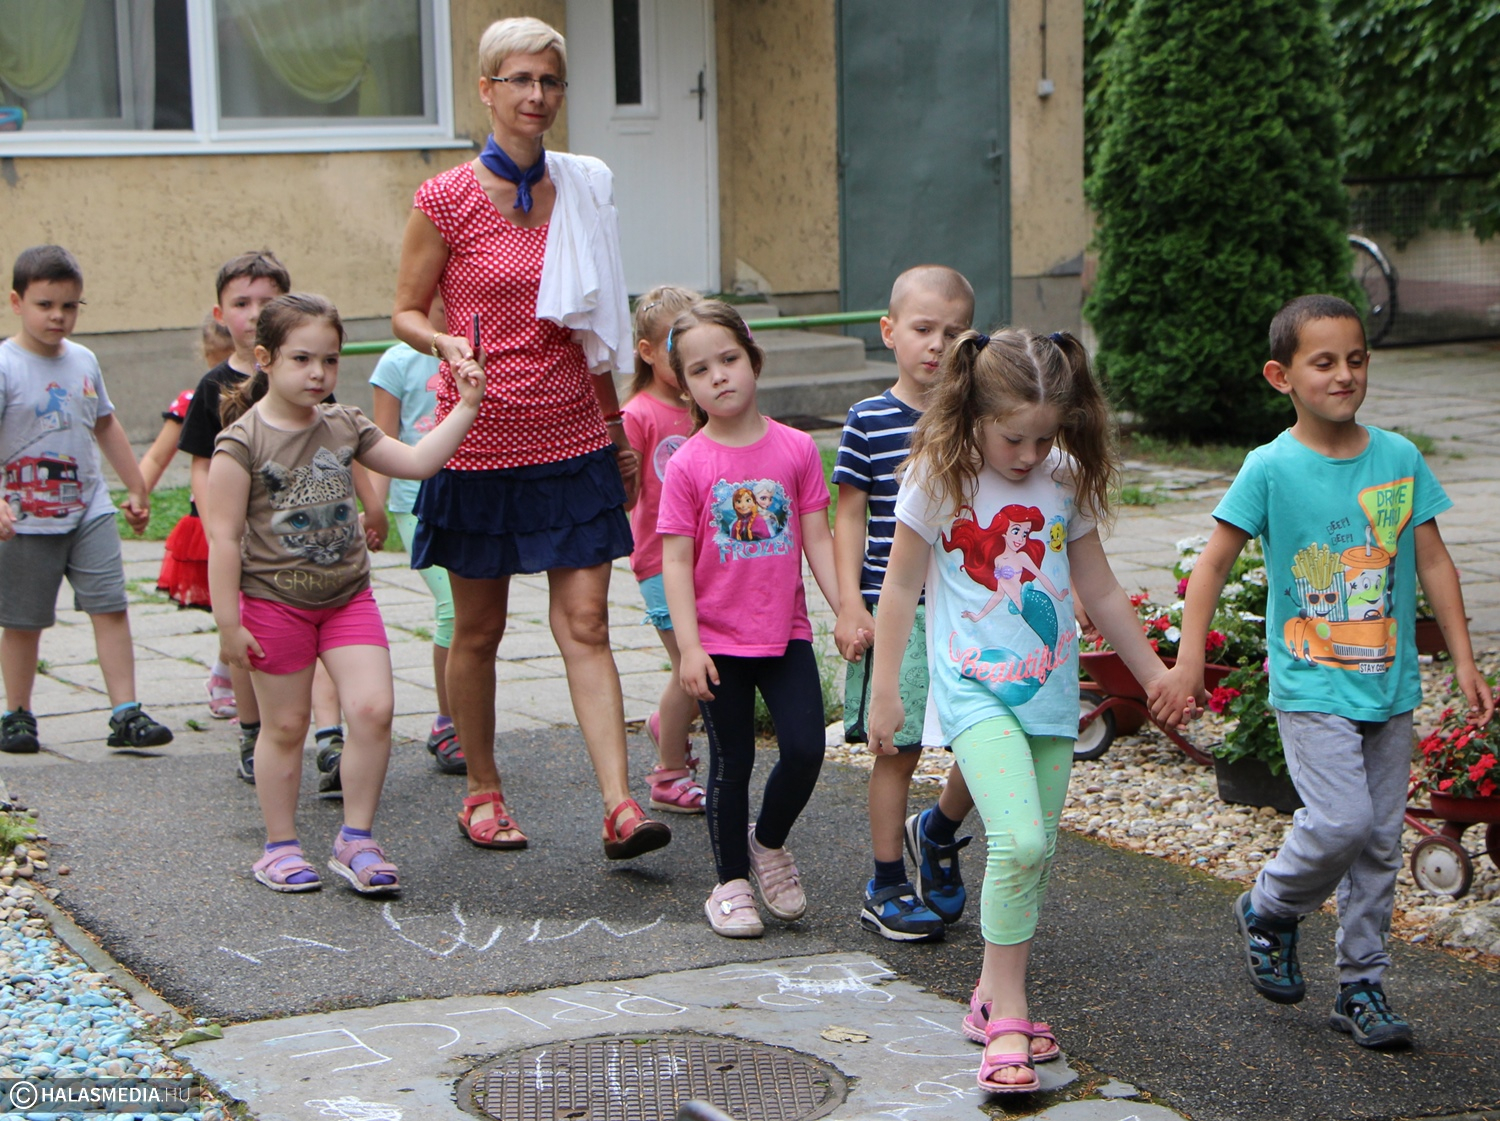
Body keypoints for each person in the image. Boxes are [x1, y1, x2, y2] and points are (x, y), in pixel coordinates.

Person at [1148, 294, 1494, 1049]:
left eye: (1356, 359)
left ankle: (1361, 986)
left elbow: (1434, 560)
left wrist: (1464, 659)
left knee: (1378, 844)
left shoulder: (1398, 458)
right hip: (1312, 684)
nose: (1345, 375)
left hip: (1389, 684)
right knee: (1341, 822)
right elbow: (1212, 564)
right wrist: (1189, 658)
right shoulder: (1270, 467)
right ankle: (1270, 905)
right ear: (1282, 376)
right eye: (1325, 362)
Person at [868, 327, 1171, 1093]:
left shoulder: (1060, 475)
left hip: (1050, 690)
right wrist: (885, 688)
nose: (1030, 454)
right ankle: (1008, 1017)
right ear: (972, 413)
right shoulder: (939, 476)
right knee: (1021, 840)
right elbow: (900, 586)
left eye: (1045, 436)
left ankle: (989, 993)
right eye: (1014, 437)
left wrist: (1154, 674)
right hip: (972, 688)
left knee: (1034, 854)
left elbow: (1099, 586)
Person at [391, 16, 663, 861]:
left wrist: (616, 429)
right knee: (478, 631)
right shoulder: (445, 198)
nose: (537, 95)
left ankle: (620, 804)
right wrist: (443, 342)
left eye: (550, 81)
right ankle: (482, 788)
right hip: (476, 442)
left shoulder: (581, 189)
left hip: (571, 435)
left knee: (587, 622)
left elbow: (592, 324)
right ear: (487, 89)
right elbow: (404, 310)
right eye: (520, 79)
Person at [206, 293, 485, 894]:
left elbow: (418, 462)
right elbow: (223, 539)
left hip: (347, 600)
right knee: (286, 727)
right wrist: (228, 625)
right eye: (302, 359)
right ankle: (279, 847)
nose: (318, 373)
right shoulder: (241, 443)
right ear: (265, 359)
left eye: (329, 360)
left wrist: (466, 406)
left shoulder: (345, 424)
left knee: (373, 710)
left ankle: (355, 839)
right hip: (274, 603)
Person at [658, 301, 842, 938]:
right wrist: (688, 648)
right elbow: (674, 561)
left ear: (754, 360)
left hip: (785, 633)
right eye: (700, 369)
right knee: (730, 763)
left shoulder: (797, 448)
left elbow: (817, 538)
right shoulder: (689, 463)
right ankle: (729, 883)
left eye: (729, 359)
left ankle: (767, 842)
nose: (719, 376)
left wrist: (848, 609)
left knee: (806, 748)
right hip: (716, 643)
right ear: (685, 386)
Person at [179, 251, 373, 789]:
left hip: (311, 537)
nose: (253, 313)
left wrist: (370, 508)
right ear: (221, 313)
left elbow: (342, 448)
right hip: (248, 539)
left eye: (266, 302)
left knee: (324, 628)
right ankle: (252, 732)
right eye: (242, 303)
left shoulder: (311, 375)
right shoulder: (215, 385)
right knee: (252, 642)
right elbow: (203, 463)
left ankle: (330, 737)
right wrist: (216, 524)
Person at [833, 265, 978, 943]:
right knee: (899, 748)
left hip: (970, 607)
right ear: (890, 331)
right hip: (898, 611)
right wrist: (848, 605)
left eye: (954, 332)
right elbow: (849, 516)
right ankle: (886, 883)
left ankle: (939, 828)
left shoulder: (980, 419)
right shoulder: (868, 419)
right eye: (923, 329)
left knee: (990, 736)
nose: (938, 345)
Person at [0, 245, 172, 754]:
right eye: (45, 305)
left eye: (69, 306)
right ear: (17, 302)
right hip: (25, 516)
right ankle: (17, 713)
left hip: (88, 508)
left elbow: (105, 423)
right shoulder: (6, 365)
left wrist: (136, 484)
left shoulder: (84, 360)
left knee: (110, 606)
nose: (58, 316)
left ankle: (125, 712)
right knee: (24, 620)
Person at [366, 314, 465, 774]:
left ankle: (467, 716)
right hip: (414, 504)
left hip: (467, 496)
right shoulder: (396, 363)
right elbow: (380, 442)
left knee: (473, 614)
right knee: (452, 608)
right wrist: (375, 509)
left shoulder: (475, 352)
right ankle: (448, 722)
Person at [621, 285, 706, 814]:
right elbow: (626, 497)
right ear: (648, 352)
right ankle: (668, 775)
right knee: (690, 671)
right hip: (659, 560)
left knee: (704, 670)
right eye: (676, 343)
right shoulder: (639, 414)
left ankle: (665, 725)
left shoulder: (704, 406)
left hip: (709, 560)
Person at [141, 313, 237, 718]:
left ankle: (230, 673)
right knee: (231, 605)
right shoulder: (196, 400)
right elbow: (158, 456)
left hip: (254, 514)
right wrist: (138, 493)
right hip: (208, 521)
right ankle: (225, 675)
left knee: (249, 604)